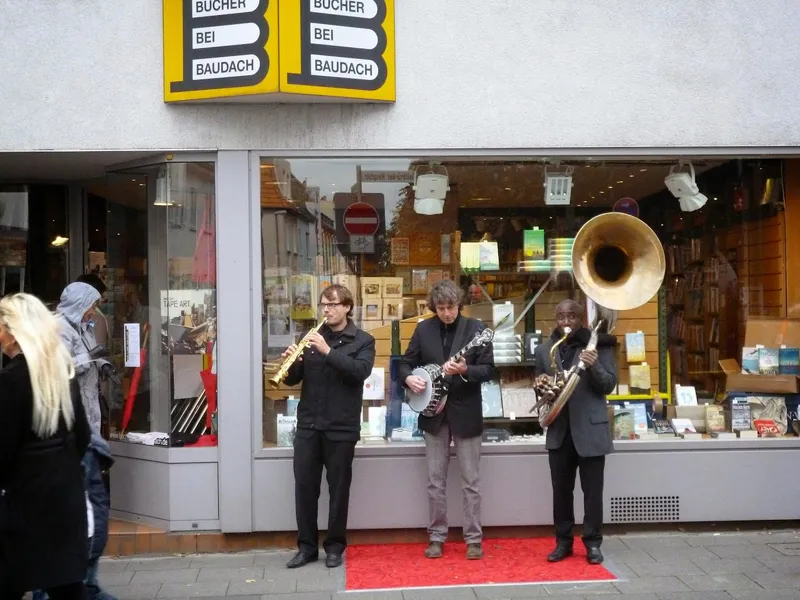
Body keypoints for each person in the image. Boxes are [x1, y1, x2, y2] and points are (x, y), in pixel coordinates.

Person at [0, 293, 91, 599]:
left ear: (13, 332)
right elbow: (83, 437)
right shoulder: (62, 373)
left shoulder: (10, 380)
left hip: (25, 504)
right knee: (66, 586)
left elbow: (4, 453)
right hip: (65, 498)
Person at [397, 280, 495, 560]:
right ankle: (436, 537)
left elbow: (489, 370)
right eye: (441, 308)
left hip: (466, 412)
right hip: (433, 416)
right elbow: (405, 362)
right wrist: (408, 378)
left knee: (471, 481)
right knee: (435, 481)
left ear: (459, 305)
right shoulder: (423, 328)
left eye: (451, 307)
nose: (447, 313)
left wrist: (466, 370)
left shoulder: (476, 330)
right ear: (434, 308)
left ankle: (473, 539)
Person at [282, 284, 376, 569]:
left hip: (341, 427)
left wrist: (326, 351)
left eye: (333, 304)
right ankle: (306, 547)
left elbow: (359, 372)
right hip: (309, 425)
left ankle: (334, 547)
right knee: (305, 489)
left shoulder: (363, 340)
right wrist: (291, 363)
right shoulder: (310, 338)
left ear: (347, 306)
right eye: (324, 304)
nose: (327, 309)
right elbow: (291, 381)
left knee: (339, 490)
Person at [534, 299, 616, 565]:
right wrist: (541, 385)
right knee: (561, 493)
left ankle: (593, 543)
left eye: (571, 316)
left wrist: (593, 364)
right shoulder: (545, 349)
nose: (566, 321)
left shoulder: (598, 345)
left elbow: (608, 385)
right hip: (559, 430)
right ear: (555, 319)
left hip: (589, 431)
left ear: (581, 319)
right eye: (561, 316)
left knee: (592, 493)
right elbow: (541, 390)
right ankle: (563, 542)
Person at [54, 282, 119, 600]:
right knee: (89, 511)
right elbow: (58, 370)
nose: (95, 310)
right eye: (92, 304)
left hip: (89, 420)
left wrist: (102, 363)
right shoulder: (57, 329)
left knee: (90, 512)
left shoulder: (84, 326)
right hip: (71, 427)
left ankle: (84, 582)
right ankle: (77, 584)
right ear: (79, 303)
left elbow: (90, 356)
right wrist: (85, 364)